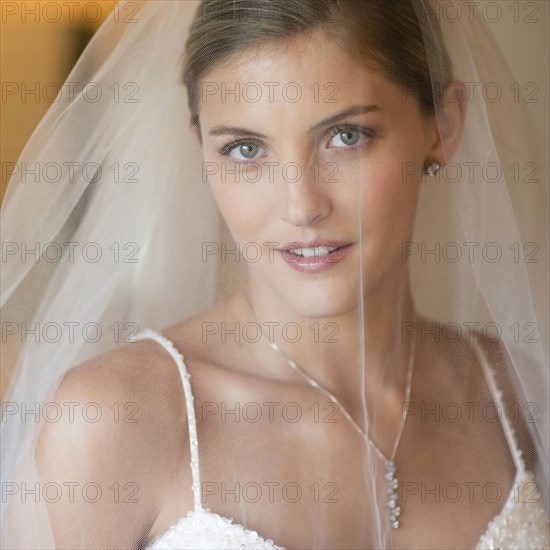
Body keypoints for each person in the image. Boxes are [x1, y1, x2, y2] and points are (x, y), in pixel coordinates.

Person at [1, 1, 548, 548]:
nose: (301, 205)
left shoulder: (517, 399)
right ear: (202, 151)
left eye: (346, 137)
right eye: (245, 149)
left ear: (443, 125)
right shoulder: (111, 421)